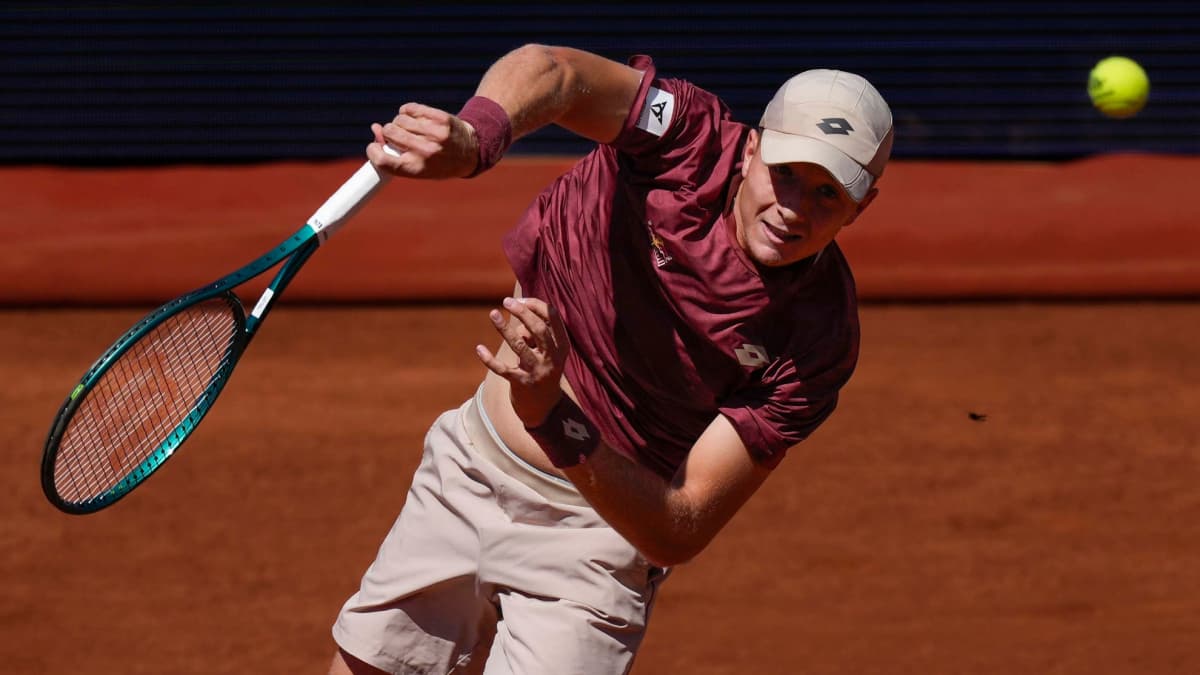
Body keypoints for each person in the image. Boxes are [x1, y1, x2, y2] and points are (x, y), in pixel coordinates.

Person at [328, 43, 893, 675]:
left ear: (862, 205)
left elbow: (678, 527)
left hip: (595, 549)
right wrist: (475, 137)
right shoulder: (687, 138)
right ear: (752, 150)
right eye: (785, 172)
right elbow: (556, 71)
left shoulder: (818, 337)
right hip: (466, 473)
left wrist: (551, 415)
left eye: (828, 194)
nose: (794, 209)